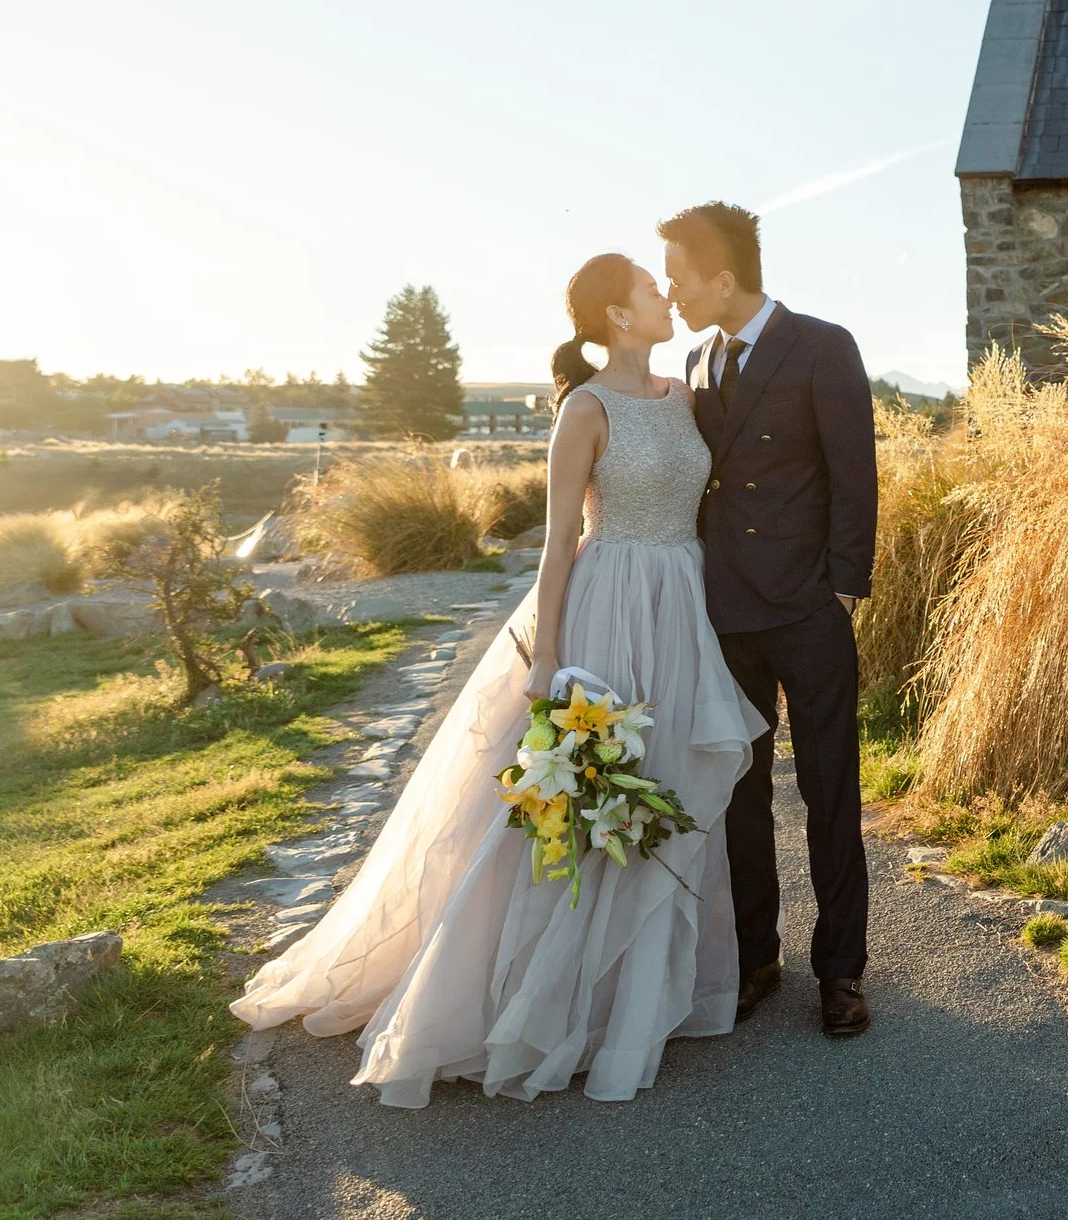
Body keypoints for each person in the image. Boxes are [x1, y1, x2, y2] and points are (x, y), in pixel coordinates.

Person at [229, 253, 765, 1105]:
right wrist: (547, 654)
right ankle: (552, 1003)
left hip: (681, 601)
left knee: (658, 787)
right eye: (652, 289)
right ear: (618, 316)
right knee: (586, 802)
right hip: (609, 605)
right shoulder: (584, 410)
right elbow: (558, 544)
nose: (667, 296)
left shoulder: (686, 394)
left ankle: (641, 993)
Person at [658, 201, 878, 1039]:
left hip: (808, 607)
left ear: (725, 276)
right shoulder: (697, 355)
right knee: (740, 791)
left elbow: (854, 475)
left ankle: (842, 970)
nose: (673, 291)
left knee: (830, 790)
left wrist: (844, 590)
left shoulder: (824, 344)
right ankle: (757, 957)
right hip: (728, 609)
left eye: (681, 276)